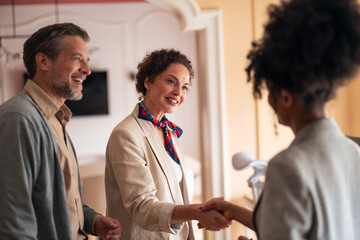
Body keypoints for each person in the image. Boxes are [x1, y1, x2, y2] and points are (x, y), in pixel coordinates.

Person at [202, 0, 360, 239]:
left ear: (286, 97)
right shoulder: (352, 151)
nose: (269, 101)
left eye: (269, 92)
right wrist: (233, 211)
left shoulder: (288, 167)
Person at [0, 23, 121, 240]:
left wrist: (92, 221)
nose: (87, 70)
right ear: (43, 61)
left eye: (87, 61)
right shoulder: (19, 119)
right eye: (77, 59)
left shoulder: (56, 119)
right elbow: (13, 221)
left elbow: (60, 201)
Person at [105, 49, 231, 239]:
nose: (178, 92)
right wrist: (197, 211)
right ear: (148, 81)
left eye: (185, 87)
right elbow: (142, 207)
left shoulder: (168, 132)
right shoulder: (126, 134)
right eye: (171, 81)